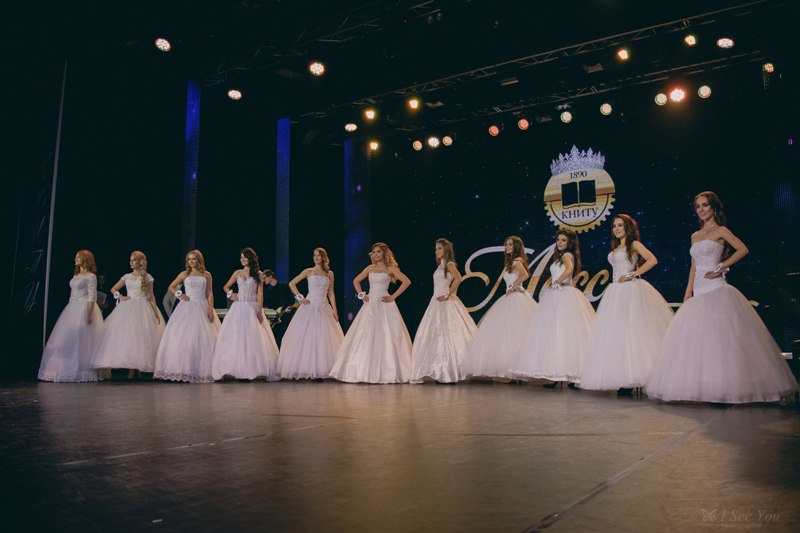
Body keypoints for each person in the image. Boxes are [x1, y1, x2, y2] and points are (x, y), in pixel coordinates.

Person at [647, 192, 799, 403]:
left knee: (721, 340)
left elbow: (743, 249)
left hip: (716, 288)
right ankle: (704, 386)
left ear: (713, 207)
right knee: (699, 340)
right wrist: (688, 292)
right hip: (699, 290)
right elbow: (693, 266)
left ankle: (728, 386)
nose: (701, 210)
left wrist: (722, 266)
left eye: (705, 205)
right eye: (698, 206)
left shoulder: (721, 231)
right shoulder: (695, 236)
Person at [580, 215, 673, 393]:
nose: (616, 229)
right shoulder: (616, 248)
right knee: (617, 334)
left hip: (629, 290)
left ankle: (638, 376)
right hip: (615, 291)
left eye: (620, 225)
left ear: (627, 227)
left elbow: (652, 260)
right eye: (614, 226)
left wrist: (633, 274)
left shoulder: (634, 244)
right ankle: (622, 376)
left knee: (633, 331)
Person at [512, 229, 595, 387]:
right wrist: (555, 281)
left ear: (569, 242)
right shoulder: (561, 256)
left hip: (564, 294)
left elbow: (569, 270)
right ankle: (560, 374)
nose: (560, 243)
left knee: (565, 333)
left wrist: (558, 281)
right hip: (557, 295)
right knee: (558, 334)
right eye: (558, 240)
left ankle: (569, 375)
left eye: (563, 240)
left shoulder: (566, 255)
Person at [329, 242, 412, 383]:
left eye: (379, 251)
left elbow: (406, 281)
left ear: (384, 253)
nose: (375, 254)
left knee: (387, 335)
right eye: (374, 252)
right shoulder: (370, 268)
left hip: (385, 304)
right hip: (370, 303)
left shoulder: (390, 268)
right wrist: (362, 295)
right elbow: (356, 281)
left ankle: (388, 370)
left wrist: (393, 296)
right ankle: (364, 370)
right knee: (366, 334)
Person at [461, 235, 537, 380]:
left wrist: (514, 285)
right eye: (506, 244)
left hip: (516, 298)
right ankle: (510, 367)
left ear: (516, 247)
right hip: (510, 297)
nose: (507, 247)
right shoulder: (512, 262)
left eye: (510, 244)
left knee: (515, 332)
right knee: (508, 333)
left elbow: (525, 275)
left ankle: (515, 368)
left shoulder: (517, 261)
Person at [410, 238, 477, 383]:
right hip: (436, 302)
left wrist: (448, 294)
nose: (436, 251)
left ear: (446, 250)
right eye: (436, 249)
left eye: (439, 248)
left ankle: (449, 370)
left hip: (445, 302)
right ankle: (439, 369)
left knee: (448, 334)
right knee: (437, 335)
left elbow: (458, 278)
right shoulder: (440, 266)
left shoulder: (449, 264)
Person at [92, 251, 165, 378]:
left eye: (134, 260)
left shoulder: (147, 277)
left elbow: (151, 296)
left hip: (143, 307)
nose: (131, 262)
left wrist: (155, 312)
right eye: (130, 260)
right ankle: (132, 368)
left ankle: (137, 368)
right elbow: (113, 289)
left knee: (141, 336)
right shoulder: (127, 276)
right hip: (129, 307)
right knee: (130, 336)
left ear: (141, 262)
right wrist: (120, 296)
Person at [154, 250, 221, 383]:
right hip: (187, 306)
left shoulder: (206, 274)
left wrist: (210, 308)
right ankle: (183, 369)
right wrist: (179, 294)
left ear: (199, 260)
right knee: (184, 338)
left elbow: (209, 293)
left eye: (194, 259)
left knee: (203, 338)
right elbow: (171, 286)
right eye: (189, 259)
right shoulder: (184, 274)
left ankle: (202, 370)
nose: (191, 261)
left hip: (202, 305)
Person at [38, 250, 105, 382]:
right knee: (67, 338)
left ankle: (82, 370)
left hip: (84, 307)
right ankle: (64, 368)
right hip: (72, 307)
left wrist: (89, 314)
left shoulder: (91, 276)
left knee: (82, 340)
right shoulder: (76, 275)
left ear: (85, 259)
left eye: (78, 257)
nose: (75, 259)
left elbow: (92, 297)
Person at [212, 247, 278, 381]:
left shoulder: (258, 273)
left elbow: (260, 294)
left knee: (253, 339)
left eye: (245, 257)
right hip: (238, 308)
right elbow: (225, 287)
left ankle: (250, 369)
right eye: (241, 257)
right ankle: (236, 369)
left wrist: (259, 311)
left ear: (250, 258)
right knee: (236, 338)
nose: (242, 259)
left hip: (252, 307)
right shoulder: (237, 272)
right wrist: (231, 295)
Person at [277, 247, 344, 380]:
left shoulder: (330, 273)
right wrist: (300, 297)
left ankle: (322, 369)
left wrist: (335, 310)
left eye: (318, 255)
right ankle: (307, 368)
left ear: (324, 257)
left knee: (323, 338)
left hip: (324, 307)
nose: (316, 257)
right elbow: (292, 283)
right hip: (310, 306)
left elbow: (331, 293)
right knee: (308, 337)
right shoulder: (308, 271)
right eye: (314, 255)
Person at [262, 268, 294, 343]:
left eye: (264, 278)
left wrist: (289, 308)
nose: (263, 280)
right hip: (272, 316)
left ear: (270, 277)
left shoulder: (284, 286)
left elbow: (291, 299)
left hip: (284, 315)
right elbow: (266, 303)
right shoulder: (266, 290)